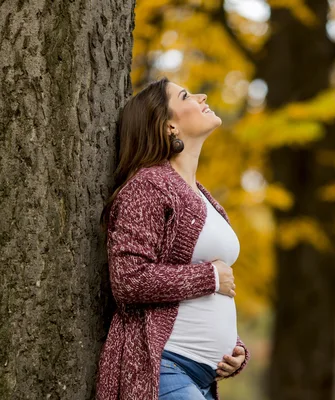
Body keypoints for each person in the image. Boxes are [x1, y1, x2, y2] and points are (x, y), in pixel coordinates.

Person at [96, 77, 250, 400]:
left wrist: (234, 349)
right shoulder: (149, 185)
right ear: (169, 127)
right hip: (162, 368)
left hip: (203, 379)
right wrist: (208, 277)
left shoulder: (205, 198)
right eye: (185, 96)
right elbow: (128, 278)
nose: (202, 95)